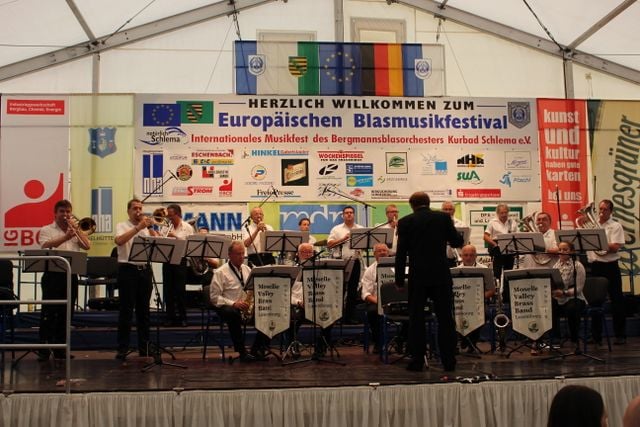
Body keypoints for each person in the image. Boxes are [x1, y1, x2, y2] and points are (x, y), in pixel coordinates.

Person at [395, 192, 463, 372]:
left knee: (416, 319)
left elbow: (401, 253)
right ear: (429, 202)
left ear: (412, 206)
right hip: (440, 274)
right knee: (445, 318)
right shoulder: (443, 218)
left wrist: (399, 280)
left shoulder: (406, 222)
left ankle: (417, 361)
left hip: (418, 276)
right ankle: (449, 361)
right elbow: (457, 241)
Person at [37, 199, 91, 361]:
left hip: (70, 275)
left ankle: (60, 349)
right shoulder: (46, 229)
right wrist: (66, 236)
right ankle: (44, 349)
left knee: (66, 314)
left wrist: (77, 231)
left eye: (68, 212)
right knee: (49, 313)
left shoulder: (75, 230)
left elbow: (87, 246)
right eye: (62, 211)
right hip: (52, 276)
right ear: (55, 214)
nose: (65, 215)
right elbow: (45, 245)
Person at [209, 241, 271, 361]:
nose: (241, 257)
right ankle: (242, 352)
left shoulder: (247, 269)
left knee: (268, 313)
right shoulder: (220, 272)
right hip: (227, 306)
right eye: (238, 254)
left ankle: (256, 350)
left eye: (243, 253)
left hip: (244, 305)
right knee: (232, 313)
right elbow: (214, 297)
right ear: (230, 255)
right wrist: (234, 304)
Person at [114, 198, 158, 360]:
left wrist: (150, 228)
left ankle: (144, 347)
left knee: (144, 311)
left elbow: (158, 243)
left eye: (140, 208)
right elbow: (119, 241)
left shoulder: (146, 228)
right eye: (135, 208)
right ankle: (122, 348)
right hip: (128, 270)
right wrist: (138, 227)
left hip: (144, 270)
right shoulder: (122, 225)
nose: (138, 211)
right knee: (126, 311)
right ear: (128, 211)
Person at [584, 199, 626, 345]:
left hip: (610, 266)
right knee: (595, 302)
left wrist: (598, 241)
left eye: (605, 209)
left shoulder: (615, 226)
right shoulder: (592, 225)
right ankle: (596, 336)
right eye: (600, 209)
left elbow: (614, 247)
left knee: (617, 300)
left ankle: (620, 335)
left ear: (611, 211)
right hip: (596, 266)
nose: (601, 212)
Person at [361, 242, 406, 354]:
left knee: (412, 311)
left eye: (384, 250)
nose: (382, 253)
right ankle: (378, 343)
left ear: (388, 252)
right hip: (378, 302)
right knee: (372, 312)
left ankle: (401, 340)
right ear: (374, 254)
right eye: (379, 251)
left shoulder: (398, 267)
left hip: (399, 301)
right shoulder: (370, 270)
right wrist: (378, 301)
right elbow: (365, 293)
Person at [289, 242, 332, 356]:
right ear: (298, 254)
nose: (308, 255)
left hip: (316, 303)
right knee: (293, 318)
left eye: (310, 252)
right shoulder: (293, 270)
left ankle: (321, 346)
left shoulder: (320, 271)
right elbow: (286, 293)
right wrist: (298, 302)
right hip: (299, 304)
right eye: (304, 252)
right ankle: (293, 345)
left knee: (330, 315)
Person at [328, 206, 363, 324]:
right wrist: (343, 239)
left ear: (354, 215)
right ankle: (337, 317)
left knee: (353, 291)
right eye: (346, 213)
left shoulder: (360, 229)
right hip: (340, 262)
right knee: (339, 290)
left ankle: (349, 317)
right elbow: (329, 244)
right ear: (343, 215)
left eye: (351, 212)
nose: (349, 214)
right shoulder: (336, 229)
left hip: (355, 261)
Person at [457, 244, 494, 352]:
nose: (468, 258)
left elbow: (491, 290)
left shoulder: (484, 270)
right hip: (461, 304)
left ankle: (470, 342)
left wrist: (477, 299)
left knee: (482, 314)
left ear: (476, 256)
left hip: (478, 303)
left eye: (471, 255)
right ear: (461, 256)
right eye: (466, 255)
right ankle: (464, 338)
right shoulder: (455, 271)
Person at [162, 204, 194, 326]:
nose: (169, 218)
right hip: (167, 260)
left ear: (178, 214)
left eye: (171, 215)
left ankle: (183, 317)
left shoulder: (187, 227)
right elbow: (162, 241)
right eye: (168, 216)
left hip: (181, 260)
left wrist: (174, 237)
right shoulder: (166, 227)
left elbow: (190, 246)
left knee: (180, 290)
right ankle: (170, 317)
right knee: (168, 290)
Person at [551, 241, 586, 347]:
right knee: (548, 306)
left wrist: (564, 293)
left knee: (572, 308)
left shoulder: (578, 266)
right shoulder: (555, 266)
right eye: (560, 249)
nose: (562, 252)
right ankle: (556, 338)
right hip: (559, 298)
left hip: (575, 297)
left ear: (572, 251)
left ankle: (574, 338)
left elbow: (579, 288)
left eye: (565, 250)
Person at [483, 203, 518, 279]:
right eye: (502, 213)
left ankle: (506, 283)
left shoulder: (512, 222)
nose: (504, 215)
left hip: (509, 246)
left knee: (509, 270)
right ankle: (497, 281)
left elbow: (516, 235)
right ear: (497, 213)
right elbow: (485, 236)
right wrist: (495, 244)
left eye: (505, 212)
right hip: (496, 246)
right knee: (497, 270)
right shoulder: (492, 222)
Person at [442, 201, 467, 267]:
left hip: (456, 258)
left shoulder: (461, 224)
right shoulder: (437, 224)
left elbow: (465, 242)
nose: (448, 211)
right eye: (445, 209)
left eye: (450, 209)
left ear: (454, 210)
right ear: (442, 210)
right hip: (441, 258)